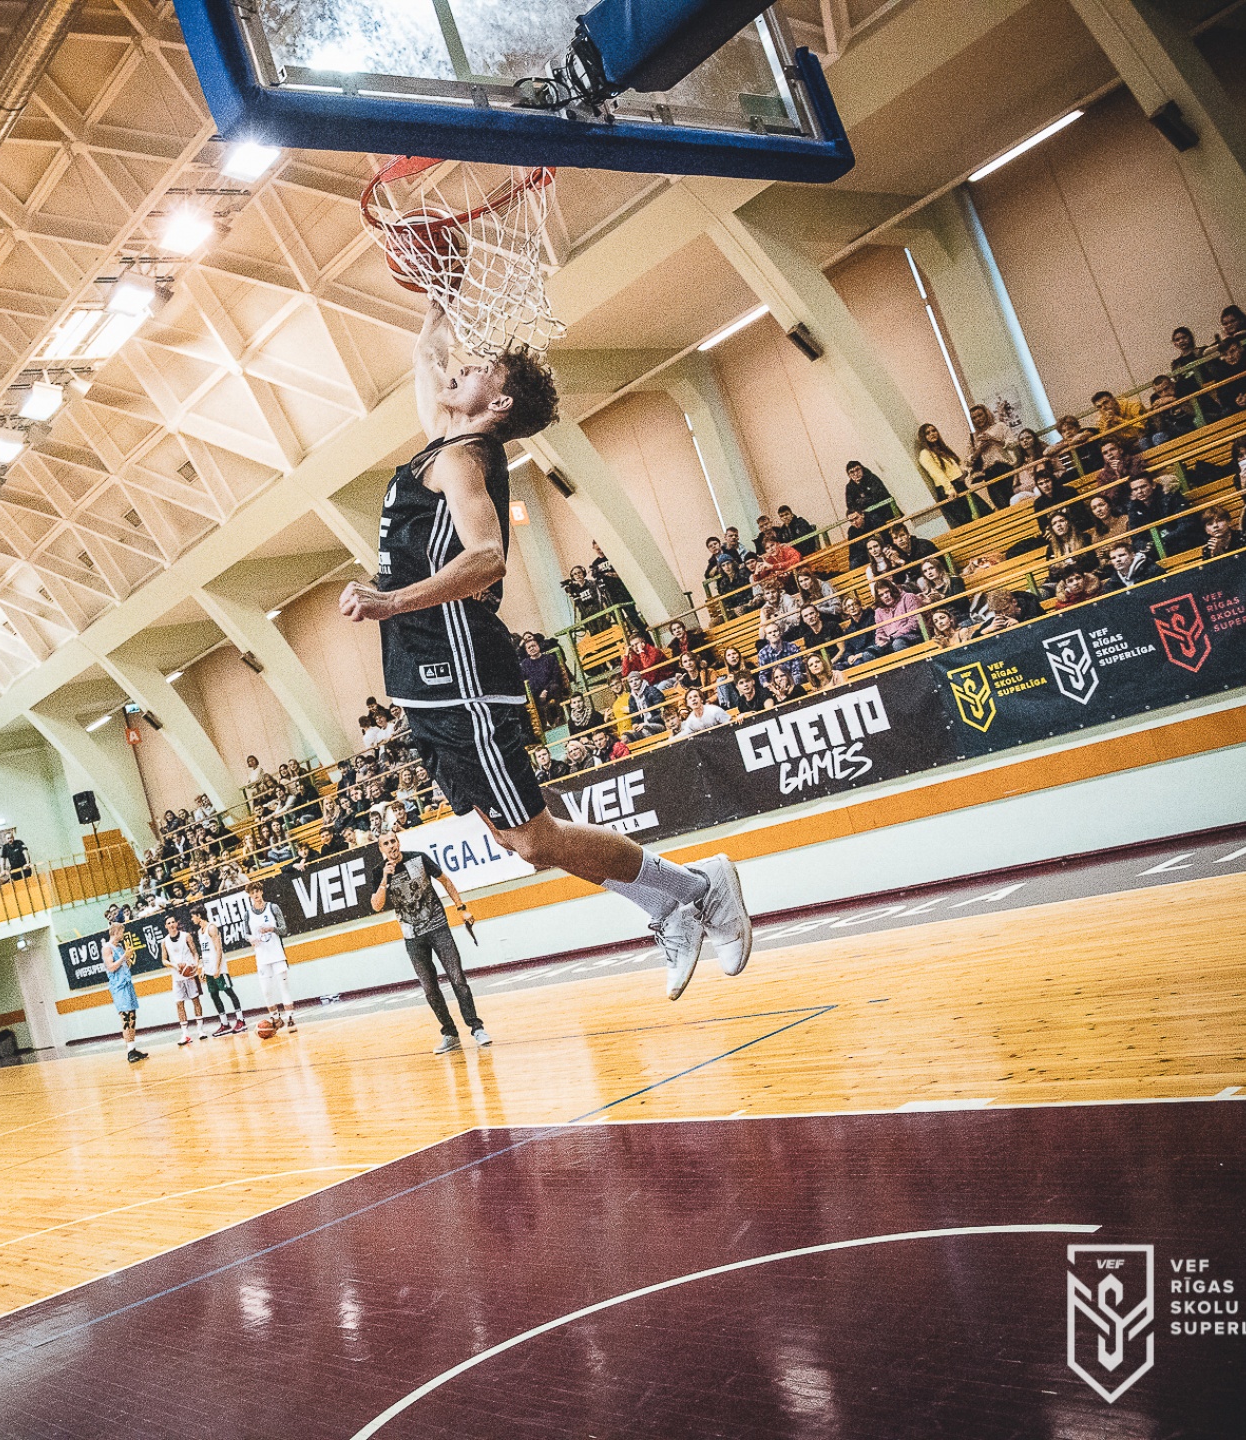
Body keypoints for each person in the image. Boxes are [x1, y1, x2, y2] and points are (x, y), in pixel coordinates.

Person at [338, 299, 752, 1002]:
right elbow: (427, 360)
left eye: (479, 369)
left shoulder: (464, 459)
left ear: (498, 402)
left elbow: (487, 557)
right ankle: (673, 901)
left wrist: (390, 601)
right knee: (516, 844)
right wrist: (437, 297)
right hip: (419, 678)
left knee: (532, 840)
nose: (461, 368)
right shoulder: (442, 442)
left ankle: (694, 888)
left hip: (459, 669)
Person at [369, 830, 488, 1052]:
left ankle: (477, 1028)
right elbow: (376, 905)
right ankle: (450, 1033)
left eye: (393, 841)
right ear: (381, 849)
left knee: (457, 978)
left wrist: (461, 908)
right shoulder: (378, 872)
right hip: (412, 937)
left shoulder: (419, 858)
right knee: (430, 989)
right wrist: (385, 879)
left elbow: (446, 881)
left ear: (398, 842)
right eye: (386, 843)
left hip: (438, 927)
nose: (391, 846)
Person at [243, 881, 297, 1031]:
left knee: (283, 987)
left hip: (277, 954)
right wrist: (251, 939)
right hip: (262, 957)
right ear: (249, 896)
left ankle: (290, 1018)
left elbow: (284, 929)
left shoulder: (273, 907)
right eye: (252, 893)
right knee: (266, 991)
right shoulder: (248, 914)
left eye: (257, 891)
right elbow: (245, 934)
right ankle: (276, 1018)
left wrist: (272, 929)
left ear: (261, 892)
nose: (255, 895)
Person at [101, 919, 149, 1064]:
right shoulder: (107, 948)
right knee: (126, 1017)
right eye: (122, 932)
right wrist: (124, 957)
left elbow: (125, 965)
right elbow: (111, 967)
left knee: (132, 1016)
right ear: (115, 932)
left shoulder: (120, 946)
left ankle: (133, 1048)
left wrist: (128, 958)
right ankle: (129, 1051)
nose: (123, 935)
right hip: (118, 986)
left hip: (127, 983)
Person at [158, 915, 210, 1045]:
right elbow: (164, 960)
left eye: (173, 922)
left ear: (177, 923)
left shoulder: (186, 936)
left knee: (195, 1001)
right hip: (177, 976)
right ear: (166, 926)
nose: (171, 925)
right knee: (179, 1004)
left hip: (190, 974)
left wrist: (195, 965)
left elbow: (195, 953)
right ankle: (185, 1034)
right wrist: (175, 966)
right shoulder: (164, 941)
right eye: (168, 923)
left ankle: (200, 1030)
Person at [193, 912, 246, 1036]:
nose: (192, 919)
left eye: (193, 916)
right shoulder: (200, 932)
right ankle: (224, 1023)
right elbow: (204, 953)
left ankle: (241, 1020)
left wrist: (217, 968)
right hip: (209, 970)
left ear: (199, 915)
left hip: (219, 969)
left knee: (229, 992)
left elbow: (219, 949)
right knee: (214, 995)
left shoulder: (211, 928)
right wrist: (203, 969)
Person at [843, 459, 895, 525]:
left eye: (857, 470)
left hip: (886, 511)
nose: (856, 474)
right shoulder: (850, 487)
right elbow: (850, 506)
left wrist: (860, 501)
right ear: (849, 475)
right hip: (869, 517)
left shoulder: (872, 478)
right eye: (852, 472)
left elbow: (879, 496)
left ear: (862, 469)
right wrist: (868, 499)